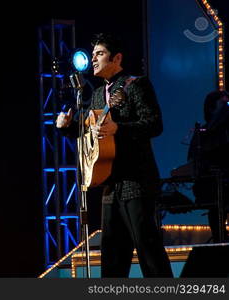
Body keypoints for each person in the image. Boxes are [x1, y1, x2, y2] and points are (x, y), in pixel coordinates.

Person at [56, 33, 173, 277]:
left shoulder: (136, 84)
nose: (93, 59)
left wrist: (119, 128)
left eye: (99, 53)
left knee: (148, 252)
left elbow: (154, 124)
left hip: (136, 181)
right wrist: (68, 125)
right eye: (93, 54)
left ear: (117, 58)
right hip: (110, 185)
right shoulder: (98, 94)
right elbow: (87, 129)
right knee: (113, 259)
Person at [188, 90, 229, 242]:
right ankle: (220, 241)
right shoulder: (204, 133)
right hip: (211, 186)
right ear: (212, 107)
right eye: (224, 103)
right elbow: (195, 161)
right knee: (215, 209)